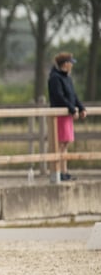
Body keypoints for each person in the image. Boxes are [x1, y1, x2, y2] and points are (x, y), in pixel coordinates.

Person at [48, 52, 87, 181]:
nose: (72, 66)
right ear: (65, 64)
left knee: (65, 144)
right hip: (60, 114)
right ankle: (58, 172)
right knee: (59, 144)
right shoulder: (55, 78)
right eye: (71, 63)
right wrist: (71, 109)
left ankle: (64, 171)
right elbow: (59, 96)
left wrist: (80, 107)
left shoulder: (67, 78)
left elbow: (73, 95)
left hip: (67, 114)